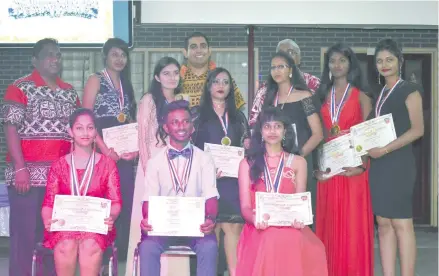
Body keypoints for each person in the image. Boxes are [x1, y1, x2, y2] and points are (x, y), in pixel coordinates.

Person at [1, 38, 80, 276]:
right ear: (34, 60)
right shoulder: (19, 87)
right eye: (49, 55)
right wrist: (20, 168)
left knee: (55, 236)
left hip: (61, 179)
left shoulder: (69, 91)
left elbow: (79, 130)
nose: (55, 59)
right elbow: (10, 127)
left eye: (58, 54)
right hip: (27, 178)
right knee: (24, 237)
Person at [236, 107, 327, 276]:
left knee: (304, 243)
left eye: (277, 126)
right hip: (258, 227)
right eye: (267, 126)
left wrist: (300, 219)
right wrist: (255, 219)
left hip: (289, 226)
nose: (272, 131)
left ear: (285, 130)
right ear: (260, 131)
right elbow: (245, 207)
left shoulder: (299, 162)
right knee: (270, 239)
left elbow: (299, 203)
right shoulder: (247, 163)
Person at [139, 100, 219, 276]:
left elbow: (211, 196)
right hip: (163, 226)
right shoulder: (155, 163)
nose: (181, 126)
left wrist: (210, 219)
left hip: (195, 226)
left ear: (192, 127)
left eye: (185, 121)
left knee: (210, 246)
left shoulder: (205, 159)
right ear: (166, 128)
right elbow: (149, 199)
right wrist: (146, 219)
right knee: (147, 247)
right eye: (175, 122)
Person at [314, 43, 374, 276]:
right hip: (329, 170)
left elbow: (368, 135)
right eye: (332, 61)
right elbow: (318, 134)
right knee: (328, 227)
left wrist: (361, 166)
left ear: (351, 64)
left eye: (342, 60)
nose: (337, 65)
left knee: (351, 229)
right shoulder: (321, 95)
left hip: (353, 170)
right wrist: (317, 167)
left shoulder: (362, 96)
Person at [41, 108, 122, 275]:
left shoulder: (108, 164)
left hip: (96, 225)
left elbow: (115, 202)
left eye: (90, 127)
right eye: (79, 128)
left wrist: (111, 217)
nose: (85, 132)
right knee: (66, 244)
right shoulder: (59, 165)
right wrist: (47, 219)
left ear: (96, 132)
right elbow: (48, 203)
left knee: (90, 244)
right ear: (70, 132)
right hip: (66, 225)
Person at [368, 38, 424, 276]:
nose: (384, 64)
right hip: (379, 165)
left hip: (399, 163)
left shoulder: (409, 90)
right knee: (382, 223)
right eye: (380, 61)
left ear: (400, 61)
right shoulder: (379, 94)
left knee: (401, 223)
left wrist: (386, 149)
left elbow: (418, 130)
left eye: (389, 59)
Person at [249, 51, 323, 226]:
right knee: (274, 215)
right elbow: (261, 131)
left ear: (291, 70)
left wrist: (297, 156)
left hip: (299, 162)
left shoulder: (305, 96)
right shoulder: (268, 99)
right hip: (272, 165)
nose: (276, 70)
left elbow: (318, 134)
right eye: (273, 67)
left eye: (281, 66)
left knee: (299, 216)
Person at [125, 57, 182, 275]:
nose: (171, 77)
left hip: (178, 169)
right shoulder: (149, 100)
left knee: (174, 220)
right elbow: (142, 138)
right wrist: (149, 172)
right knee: (149, 222)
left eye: (175, 72)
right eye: (166, 73)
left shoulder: (181, 100)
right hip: (152, 167)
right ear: (157, 77)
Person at [82, 38, 138, 261]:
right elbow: (86, 118)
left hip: (123, 155)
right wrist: (104, 150)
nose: (119, 59)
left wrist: (133, 150)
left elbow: (131, 120)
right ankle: (99, 256)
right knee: (103, 203)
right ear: (105, 55)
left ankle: (120, 256)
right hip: (100, 152)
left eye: (123, 55)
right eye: (114, 54)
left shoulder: (127, 83)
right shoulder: (95, 80)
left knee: (123, 201)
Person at [193, 68, 249, 276]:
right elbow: (190, 149)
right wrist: (205, 170)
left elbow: (247, 147)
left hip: (232, 183)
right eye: (216, 81)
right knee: (210, 233)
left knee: (233, 230)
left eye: (225, 82)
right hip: (206, 182)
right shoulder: (197, 115)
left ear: (230, 87)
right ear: (208, 86)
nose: (220, 86)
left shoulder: (238, 116)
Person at [180, 32, 245, 109]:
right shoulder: (176, 79)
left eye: (203, 46)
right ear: (185, 53)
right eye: (193, 47)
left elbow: (238, 108)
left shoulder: (222, 78)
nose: (199, 50)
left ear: (209, 51)